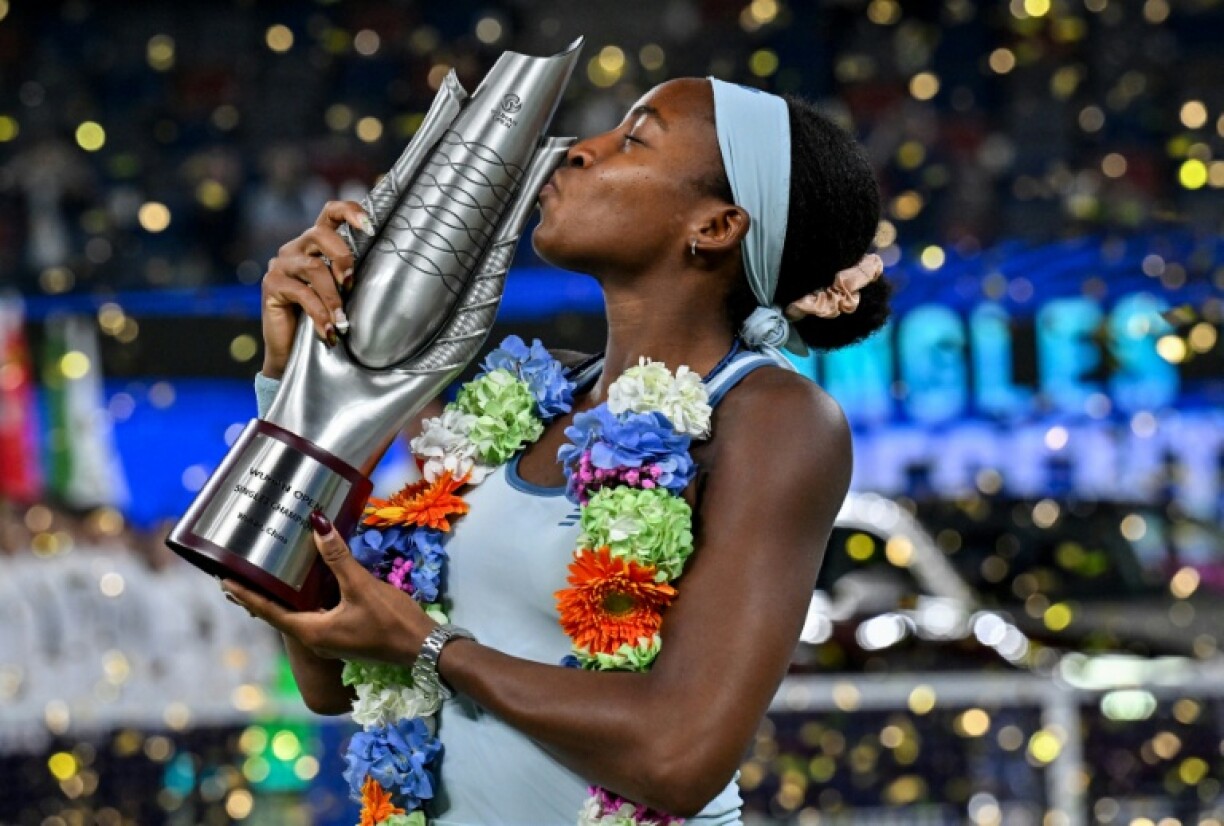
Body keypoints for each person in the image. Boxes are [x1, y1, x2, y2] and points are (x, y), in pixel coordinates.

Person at [223, 76, 891, 824]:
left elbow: (681, 759)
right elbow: (332, 678)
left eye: (633, 139)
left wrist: (436, 650)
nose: (580, 152)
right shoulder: (521, 402)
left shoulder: (772, 416)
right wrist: (299, 385)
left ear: (716, 225)